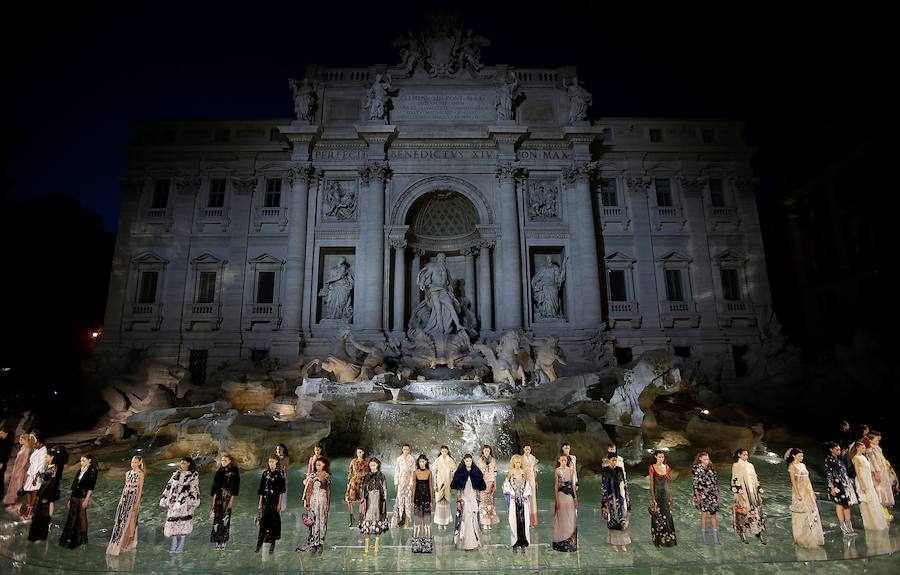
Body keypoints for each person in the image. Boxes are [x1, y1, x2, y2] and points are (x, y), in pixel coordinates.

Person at [159, 457, 200, 554]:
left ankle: (181, 545)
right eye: (181, 463)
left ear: (189, 464)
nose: (182, 464)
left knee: (183, 522)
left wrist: (191, 501)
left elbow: (194, 488)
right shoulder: (176, 473)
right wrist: (165, 498)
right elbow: (169, 485)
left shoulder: (193, 475)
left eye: (184, 463)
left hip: (185, 500)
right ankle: (173, 543)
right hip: (173, 500)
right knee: (172, 521)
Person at [785, 448, 824, 548]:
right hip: (799, 491)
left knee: (810, 512)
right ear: (794, 456)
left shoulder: (803, 465)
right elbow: (793, 482)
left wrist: (812, 492)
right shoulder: (792, 466)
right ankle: (801, 536)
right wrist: (797, 494)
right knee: (801, 513)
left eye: (802, 456)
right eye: (799, 456)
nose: (801, 458)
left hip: (807, 491)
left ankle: (812, 535)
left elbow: (808, 480)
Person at [107, 455, 145, 555]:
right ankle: (121, 540)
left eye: (135, 462)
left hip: (133, 498)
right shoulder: (127, 473)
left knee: (132, 518)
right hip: (125, 497)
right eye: (132, 462)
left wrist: (137, 502)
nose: (133, 464)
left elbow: (140, 489)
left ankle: (130, 540)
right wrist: (121, 501)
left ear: (140, 463)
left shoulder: (140, 474)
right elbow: (125, 487)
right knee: (122, 519)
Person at [59, 453, 98, 549]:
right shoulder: (79, 470)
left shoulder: (92, 470)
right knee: (72, 515)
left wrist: (87, 499)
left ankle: (83, 539)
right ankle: (69, 536)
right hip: (75, 495)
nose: (82, 462)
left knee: (82, 516)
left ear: (89, 461)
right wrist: (70, 498)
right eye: (81, 461)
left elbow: (91, 487)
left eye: (84, 461)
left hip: (83, 496)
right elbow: (74, 485)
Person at [27, 446, 66, 542]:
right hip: (44, 491)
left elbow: (50, 482)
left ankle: (42, 531)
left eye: (46, 457)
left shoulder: (53, 468)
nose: (45, 458)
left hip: (47, 492)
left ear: (51, 457)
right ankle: (39, 531)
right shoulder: (49, 466)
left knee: (43, 511)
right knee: (41, 511)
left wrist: (46, 495)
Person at [451, 453, 486, 550]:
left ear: (472, 461)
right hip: (464, 497)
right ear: (464, 461)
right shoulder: (460, 472)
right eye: (466, 461)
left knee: (474, 518)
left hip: (473, 497)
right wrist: (458, 500)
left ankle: (474, 543)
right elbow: (458, 487)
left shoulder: (476, 471)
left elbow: (480, 486)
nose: (468, 462)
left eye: (470, 460)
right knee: (465, 518)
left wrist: (478, 497)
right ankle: (464, 543)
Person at [850, 441, 888, 531]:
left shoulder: (863, 457)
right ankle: (869, 523)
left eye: (864, 448)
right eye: (862, 448)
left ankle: (875, 521)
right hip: (862, 480)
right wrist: (862, 484)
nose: (864, 449)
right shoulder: (856, 458)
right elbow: (858, 472)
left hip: (868, 480)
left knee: (872, 500)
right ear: (857, 448)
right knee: (866, 501)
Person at [731, 448, 766, 544]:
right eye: (744, 454)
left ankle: (758, 533)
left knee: (755, 512)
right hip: (743, 493)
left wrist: (759, 491)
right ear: (739, 455)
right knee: (743, 513)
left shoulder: (751, 465)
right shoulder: (736, 465)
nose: (746, 456)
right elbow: (734, 479)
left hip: (753, 492)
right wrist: (739, 493)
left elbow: (756, 478)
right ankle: (742, 534)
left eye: (747, 454)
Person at [824, 441, 858, 536]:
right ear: (831, 450)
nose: (839, 451)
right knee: (840, 504)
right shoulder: (829, 460)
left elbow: (843, 472)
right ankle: (843, 526)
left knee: (846, 504)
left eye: (839, 449)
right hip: (837, 486)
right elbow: (830, 474)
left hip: (844, 485)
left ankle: (848, 525)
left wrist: (848, 482)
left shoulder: (839, 460)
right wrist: (832, 487)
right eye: (837, 449)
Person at [299, 456, 331, 553]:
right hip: (313, 500)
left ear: (324, 465)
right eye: (316, 464)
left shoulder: (327, 476)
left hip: (323, 499)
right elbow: (308, 490)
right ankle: (314, 543)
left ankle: (321, 542)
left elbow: (328, 490)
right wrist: (308, 503)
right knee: (314, 521)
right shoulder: (312, 476)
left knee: (322, 521)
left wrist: (328, 503)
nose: (318, 466)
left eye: (320, 464)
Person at [209, 453, 240, 550]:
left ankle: (223, 540)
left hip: (227, 498)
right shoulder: (219, 471)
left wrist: (231, 500)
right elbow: (214, 486)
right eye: (222, 460)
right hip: (218, 498)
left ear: (230, 461)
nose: (223, 462)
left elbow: (236, 487)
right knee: (217, 520)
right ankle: (217, 540)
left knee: (226, 519)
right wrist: (213, 501)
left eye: (225, 460)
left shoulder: (234, 471)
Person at [256, 454, 286, 554]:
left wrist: (279, 504)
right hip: (265, 500)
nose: (271, 464)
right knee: (263, 523)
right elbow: (261, 490)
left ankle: (272, 544)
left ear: (277, 462)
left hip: (274, 501)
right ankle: (259, 544)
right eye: (269, 462)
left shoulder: (280, 474)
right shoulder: (265, 473)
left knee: (273, 523)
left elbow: (282, 491)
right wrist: (260, 503)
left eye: (273, 462)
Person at [503, 454, 532, 552]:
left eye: (519, 462)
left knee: (523, 521)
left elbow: (528, 485)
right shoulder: (511, 472)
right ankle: (515, 543)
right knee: (514, 521)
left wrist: (526, 494)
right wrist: (510, 493)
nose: (517, 464)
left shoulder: (524, 472)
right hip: (514, 500)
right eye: (515, 462)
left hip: (523, 500)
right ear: (513, 463)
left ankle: (523, 543)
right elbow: (506, 484)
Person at [601, 453, 630, 551]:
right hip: (610, 498)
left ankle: (623, 543)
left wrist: (627, 498)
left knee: (622, 519)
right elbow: (604, 486)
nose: (614, 462)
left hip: (620, 498)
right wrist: (605, 502)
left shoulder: (619, 469)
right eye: (613, 460)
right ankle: (613, 543)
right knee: (612, 520)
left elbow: (624, 484)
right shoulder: (605, 470)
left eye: (615, 460)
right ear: (609, 460)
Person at [359, 457, 388, 554]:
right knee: (367, 521)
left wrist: (384, 501)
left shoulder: (382, 476)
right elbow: (363, 489)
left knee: (378, 522)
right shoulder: (366, 476)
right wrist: (362, 501)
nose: (372, 467)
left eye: (374, 465)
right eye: (371, 465)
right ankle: (366, 549)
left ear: (378, 465)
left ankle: (376, 549)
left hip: (379, 500)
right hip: (369, 500)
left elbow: (384, 489)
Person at [692, 451, 721, 545]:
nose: (707, 461)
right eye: (704, 459)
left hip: (712, 494)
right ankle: (703, 537)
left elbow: (715, 483)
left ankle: (716, 538)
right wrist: (697, 496)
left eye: (708, 459)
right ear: (700, 459)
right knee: (704, 514)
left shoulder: (711, 469)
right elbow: (695, 484)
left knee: (713, 515)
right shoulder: (696, 469)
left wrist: (718, 496)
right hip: (702, 495)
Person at [649, 450, 677, 547]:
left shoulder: (667, 467)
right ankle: (658, 541)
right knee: (657, 516)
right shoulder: (652, 467)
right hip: (657, 494)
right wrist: (653, 498)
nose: (661, 458)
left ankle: (668, 540)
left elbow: (668, 483)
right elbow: (651, 484)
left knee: (667, 515)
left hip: (665, 494)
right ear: (655, 457)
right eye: (660, 457)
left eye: (663, 457)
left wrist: (670, 496)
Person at [3, 432, 34, 514]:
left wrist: (18, 472)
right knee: (14, 488)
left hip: (20, 471)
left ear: (25, 440)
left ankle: (17, 507)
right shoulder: (23, 447)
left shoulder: (27, 449)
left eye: (21, 439)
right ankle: (14, 505)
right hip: (16, 469)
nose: (19, 440)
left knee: (18, 488)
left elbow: (24, 462)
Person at [865, 432, 895, 512]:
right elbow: (872, 462)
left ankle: (883, 506)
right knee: (878, 488)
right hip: (877, 471)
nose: (878, 441)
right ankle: (877, 507)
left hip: (882, 470)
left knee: (884, 487)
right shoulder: (869, 450)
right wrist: (875, 473)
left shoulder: (876, 447)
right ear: (870, 440)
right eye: (876, 440)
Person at [411, 454, 434, 553]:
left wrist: (431, 500)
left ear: (426, 462)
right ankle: (417, 546)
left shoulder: (429, 472)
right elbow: (414, 486)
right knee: (417, 520)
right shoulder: (415, 472)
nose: (421, 463)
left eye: (423, 461)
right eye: (420, 461)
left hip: (427, 497)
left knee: (427, 521)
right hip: (417, 498)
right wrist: (412, 500)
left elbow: (430, 486)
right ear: (418, 462)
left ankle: (427, 546)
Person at [23, 435, 47, 520]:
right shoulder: (36, 450)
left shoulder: (43, 452)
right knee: (27, 490)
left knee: (33, 492)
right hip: (31, 473)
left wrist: (36, 477)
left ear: (41, 444)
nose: (34, 445)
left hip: (36, 475)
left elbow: (41, 465)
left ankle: (30, 511)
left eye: (36, 444)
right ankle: (27, 508)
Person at [476, 444, 500, 529]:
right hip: (482, 482)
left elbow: (495, 473)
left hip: (491, 482)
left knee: (490, 502)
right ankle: (484, 522)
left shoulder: (493, 460)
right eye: (485, 450)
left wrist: (495, 483)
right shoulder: (479, 461)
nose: (487, 452)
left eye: (488, 450)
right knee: (483, 502)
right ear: (483, 451)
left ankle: (489, 522)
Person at [392, 443, 415, 527]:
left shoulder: (412, 459)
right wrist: (396, 483)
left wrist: (412, 483)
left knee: (408, 501)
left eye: (407, 449)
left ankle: (407, 521)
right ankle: (399, 519)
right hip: (401, 482)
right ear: (402, 450)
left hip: (408, 482)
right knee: (399, 501)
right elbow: (396, 472)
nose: (406, 451)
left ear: (409, 450)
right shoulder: (399, 459)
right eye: (404, 449)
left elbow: (413, 472)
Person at [345, 448, 368, 528]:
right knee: (349, 500)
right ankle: (352, 519)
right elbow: (350, 473)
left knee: (362, 501)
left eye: (361, 452)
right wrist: (348, 484)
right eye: (358, 452)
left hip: (362, 483)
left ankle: (361, 520)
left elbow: (368, 474)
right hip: (353, 483)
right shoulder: (353, 461)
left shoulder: (366, 462)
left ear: (363, 453)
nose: (359, 453)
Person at [433, 446, 455, 529]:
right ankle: (439, 522)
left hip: (447, 483)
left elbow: (452, 473)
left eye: (445, 451)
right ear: (441, 451)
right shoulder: (437, 460)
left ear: (447, 451)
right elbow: (435, 473)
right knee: (439, 502)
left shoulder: (450, 460)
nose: (444, 453)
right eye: (442, 451)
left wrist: (452, 483)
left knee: (446, 502)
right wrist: (435, 484)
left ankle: (445, 522)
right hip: (439, 483)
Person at [521, 444, 539, 526]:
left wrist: (535, 480)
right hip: (524, 480)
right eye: (526, 449)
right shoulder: (521, 458)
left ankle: (532, 521)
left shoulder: (533, 458)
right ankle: (525, 519)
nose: (527, 450)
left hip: (531, 480)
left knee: (532, 499)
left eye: (529, 449)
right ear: (523, 450)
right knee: (525, 498)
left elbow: (534, 470)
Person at [0, 426, 11, 498]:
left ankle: (0, 494)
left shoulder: (8, 442)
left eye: (1, 433)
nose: (0, 434)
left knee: (0, 478)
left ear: (6, 434)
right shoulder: (0, 440)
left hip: (2, 462)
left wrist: (1, 463)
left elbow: (5, 454)